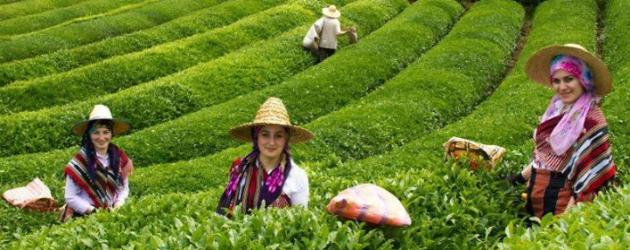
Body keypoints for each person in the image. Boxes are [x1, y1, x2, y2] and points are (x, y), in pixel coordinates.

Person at [510, 44, 616, 218]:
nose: (562, 87)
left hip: (563, 205)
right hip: (536, 199)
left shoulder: (590, 120)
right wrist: (519, 178)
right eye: (556, 81)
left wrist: (564, 223)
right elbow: (544, 157)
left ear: (583, 80)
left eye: (569, 79)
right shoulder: (555, 110)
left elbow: (588, 181)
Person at [216, 97, 314, 216]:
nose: (271, 142)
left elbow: (300, 220)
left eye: (278, 136)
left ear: (286, 139)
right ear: (256, 137)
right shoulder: (240, 169)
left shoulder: (297, 176)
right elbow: (223, 213)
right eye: (265, 135)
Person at [61, 104, 133, 221]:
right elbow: (70, 197)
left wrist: (119, 204)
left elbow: (123, 188)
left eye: (106, 132)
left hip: (112, 213)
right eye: (96, 132)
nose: (101, 137)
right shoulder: (80, 162)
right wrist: (93, 211)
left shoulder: (120, 158)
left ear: (111, 134)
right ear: (89, 135)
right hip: (83, 215)